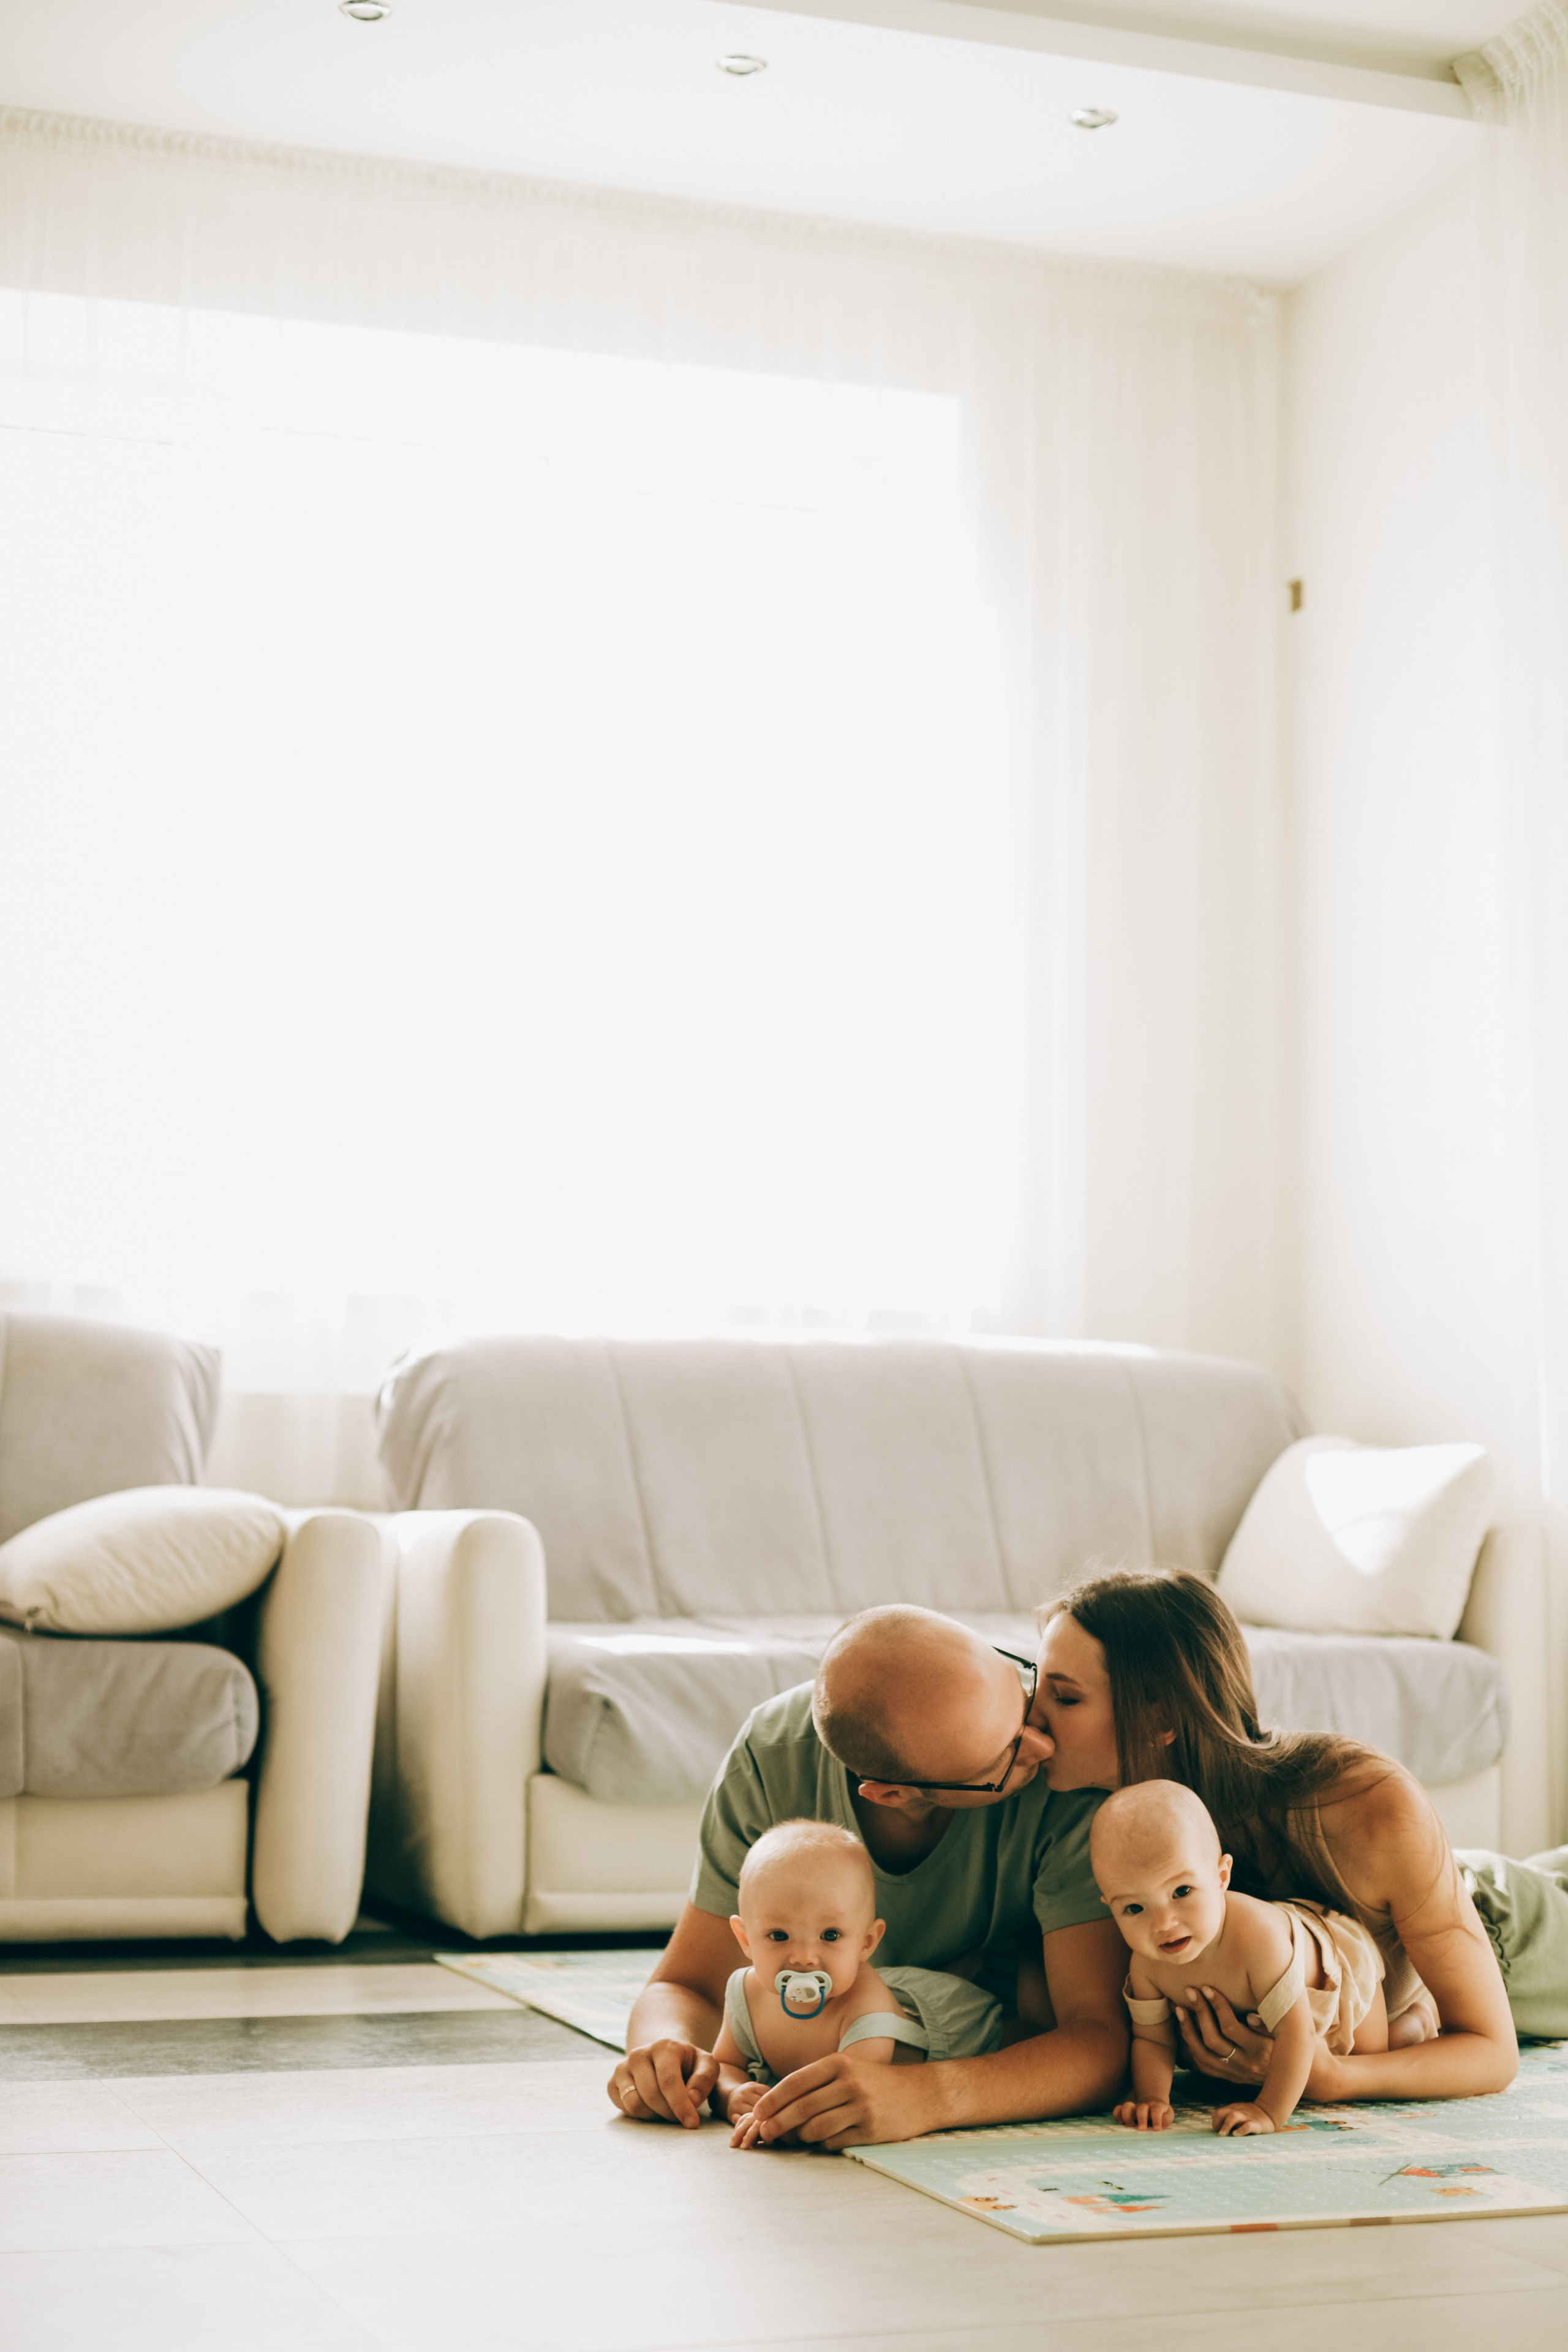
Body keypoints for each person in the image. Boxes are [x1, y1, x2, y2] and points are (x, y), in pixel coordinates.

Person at [1033, 1564, 1567, 2103]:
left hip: (1504, 1932)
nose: (1032, 1713)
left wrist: (1330, 2075)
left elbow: (1490, 2053)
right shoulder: (1102, 1822)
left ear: (1160, 1719)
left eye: (1066, 1697)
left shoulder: (1366, 1805)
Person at [607, 1604, 1128, 2149]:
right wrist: (665, 2054)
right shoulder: (772, 1758)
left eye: (1020, 1686)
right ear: (892, 1794)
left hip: (993, 2027)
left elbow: (1098, 2040)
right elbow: (687, 1983)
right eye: (1004, 1759)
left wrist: (927, 2096)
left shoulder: (1067, 1775)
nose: (1042, 1743)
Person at [1093, 1779, 1411, 2137]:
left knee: (1369, 2061)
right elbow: (1153, 2040)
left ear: (1222, 1876)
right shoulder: (1146, 1965)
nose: (1163, 1924)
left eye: (1182, 1891)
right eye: (1134, 1908)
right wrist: (1153, 2097)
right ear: (1111, 1907)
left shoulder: (1257, 1941)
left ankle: (1417, 2017)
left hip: (1335, 1974)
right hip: (1266, 2026)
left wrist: (1268, 2111)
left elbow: (1298, 2033)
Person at [715, 1819, 1006, 2150]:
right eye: (779, 1936)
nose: (805, 1958)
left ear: (868, 1942)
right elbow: (725, 2064)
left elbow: (846, 2101)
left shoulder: (866, 2011)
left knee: (1020, 2032)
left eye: (830, 1936)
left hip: (953, 2020)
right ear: (745, 1939)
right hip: (889, 1987)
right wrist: (730, 2093)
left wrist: (773, 2120)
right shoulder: (745, 1993)